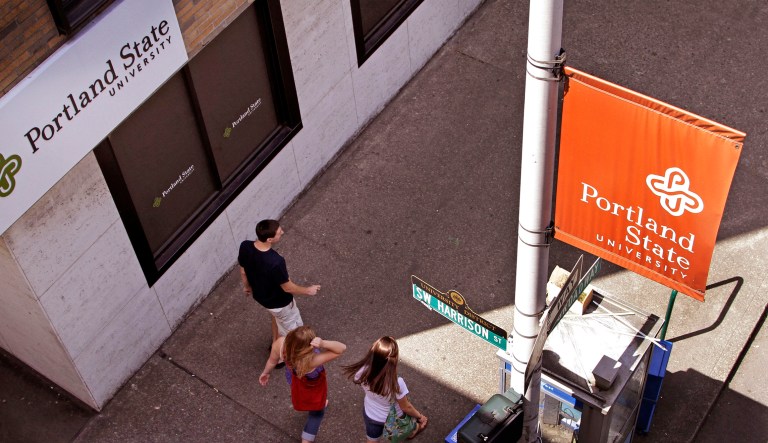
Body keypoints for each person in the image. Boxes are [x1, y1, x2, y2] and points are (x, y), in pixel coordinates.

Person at [239, 219, 321, 345]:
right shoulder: (275, 262)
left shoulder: (245, 246)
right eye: (278, 232)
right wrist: (308, 290)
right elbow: (288, 288)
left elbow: (243, 270)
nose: (282, 232)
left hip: (262, 297)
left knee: (277, 317)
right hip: (280, 302)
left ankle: (275, 342)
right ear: (269, 240)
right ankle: (281, 356)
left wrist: (247, 287)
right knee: (294, 333)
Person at [259, 326, 346, 443]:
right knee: (317, 411)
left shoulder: (280, 344)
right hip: (313, 383)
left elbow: (271, 361)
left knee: (299, 391)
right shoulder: (313, 360)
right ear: (309, 347)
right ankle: (307, 439)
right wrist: (323, 343)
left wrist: (265, 373)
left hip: (294, 378)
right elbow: (341, 348)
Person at [343, 336, 428, 442]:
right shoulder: (396, 383)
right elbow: (406, 407)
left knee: (372, 440)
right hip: (393, 418)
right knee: (408, 428)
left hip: (370, 414)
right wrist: (420, 417)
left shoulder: (361, 371)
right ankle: (413, 431)